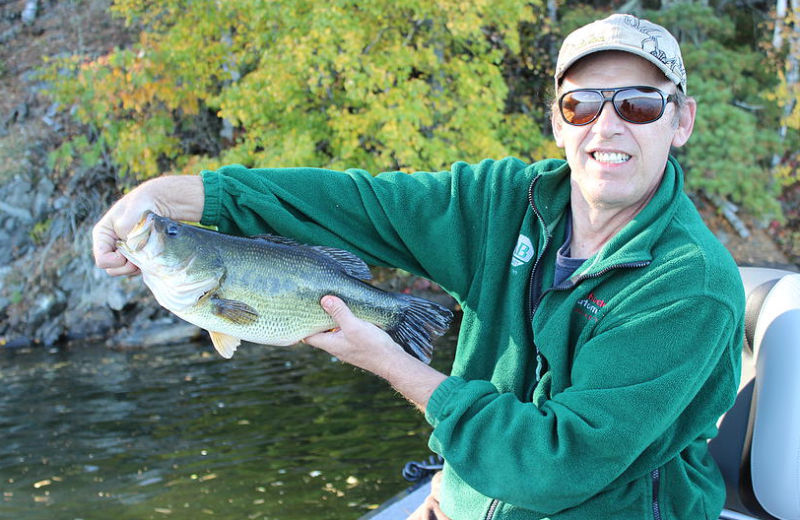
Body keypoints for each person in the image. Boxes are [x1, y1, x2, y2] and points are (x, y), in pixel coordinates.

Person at [93, 14, 745, 520]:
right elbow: (354, 204)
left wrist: (387, 360)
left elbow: (556, 463)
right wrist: (165, 197)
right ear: (557, 121)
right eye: (582, 105)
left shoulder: (690, 286)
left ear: (680, 120)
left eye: (637, 104)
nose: (607, 126)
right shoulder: (499, 204)